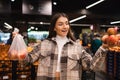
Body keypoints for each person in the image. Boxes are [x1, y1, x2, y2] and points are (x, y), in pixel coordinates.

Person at [23, 13, 108, 80]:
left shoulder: (77, 46)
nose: (65, 27)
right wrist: (19, 46)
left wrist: (103, 48)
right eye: (60, 24)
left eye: (66, 24)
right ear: (54, 28)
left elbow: (91, 66)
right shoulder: (44, 44)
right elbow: (27, 60)